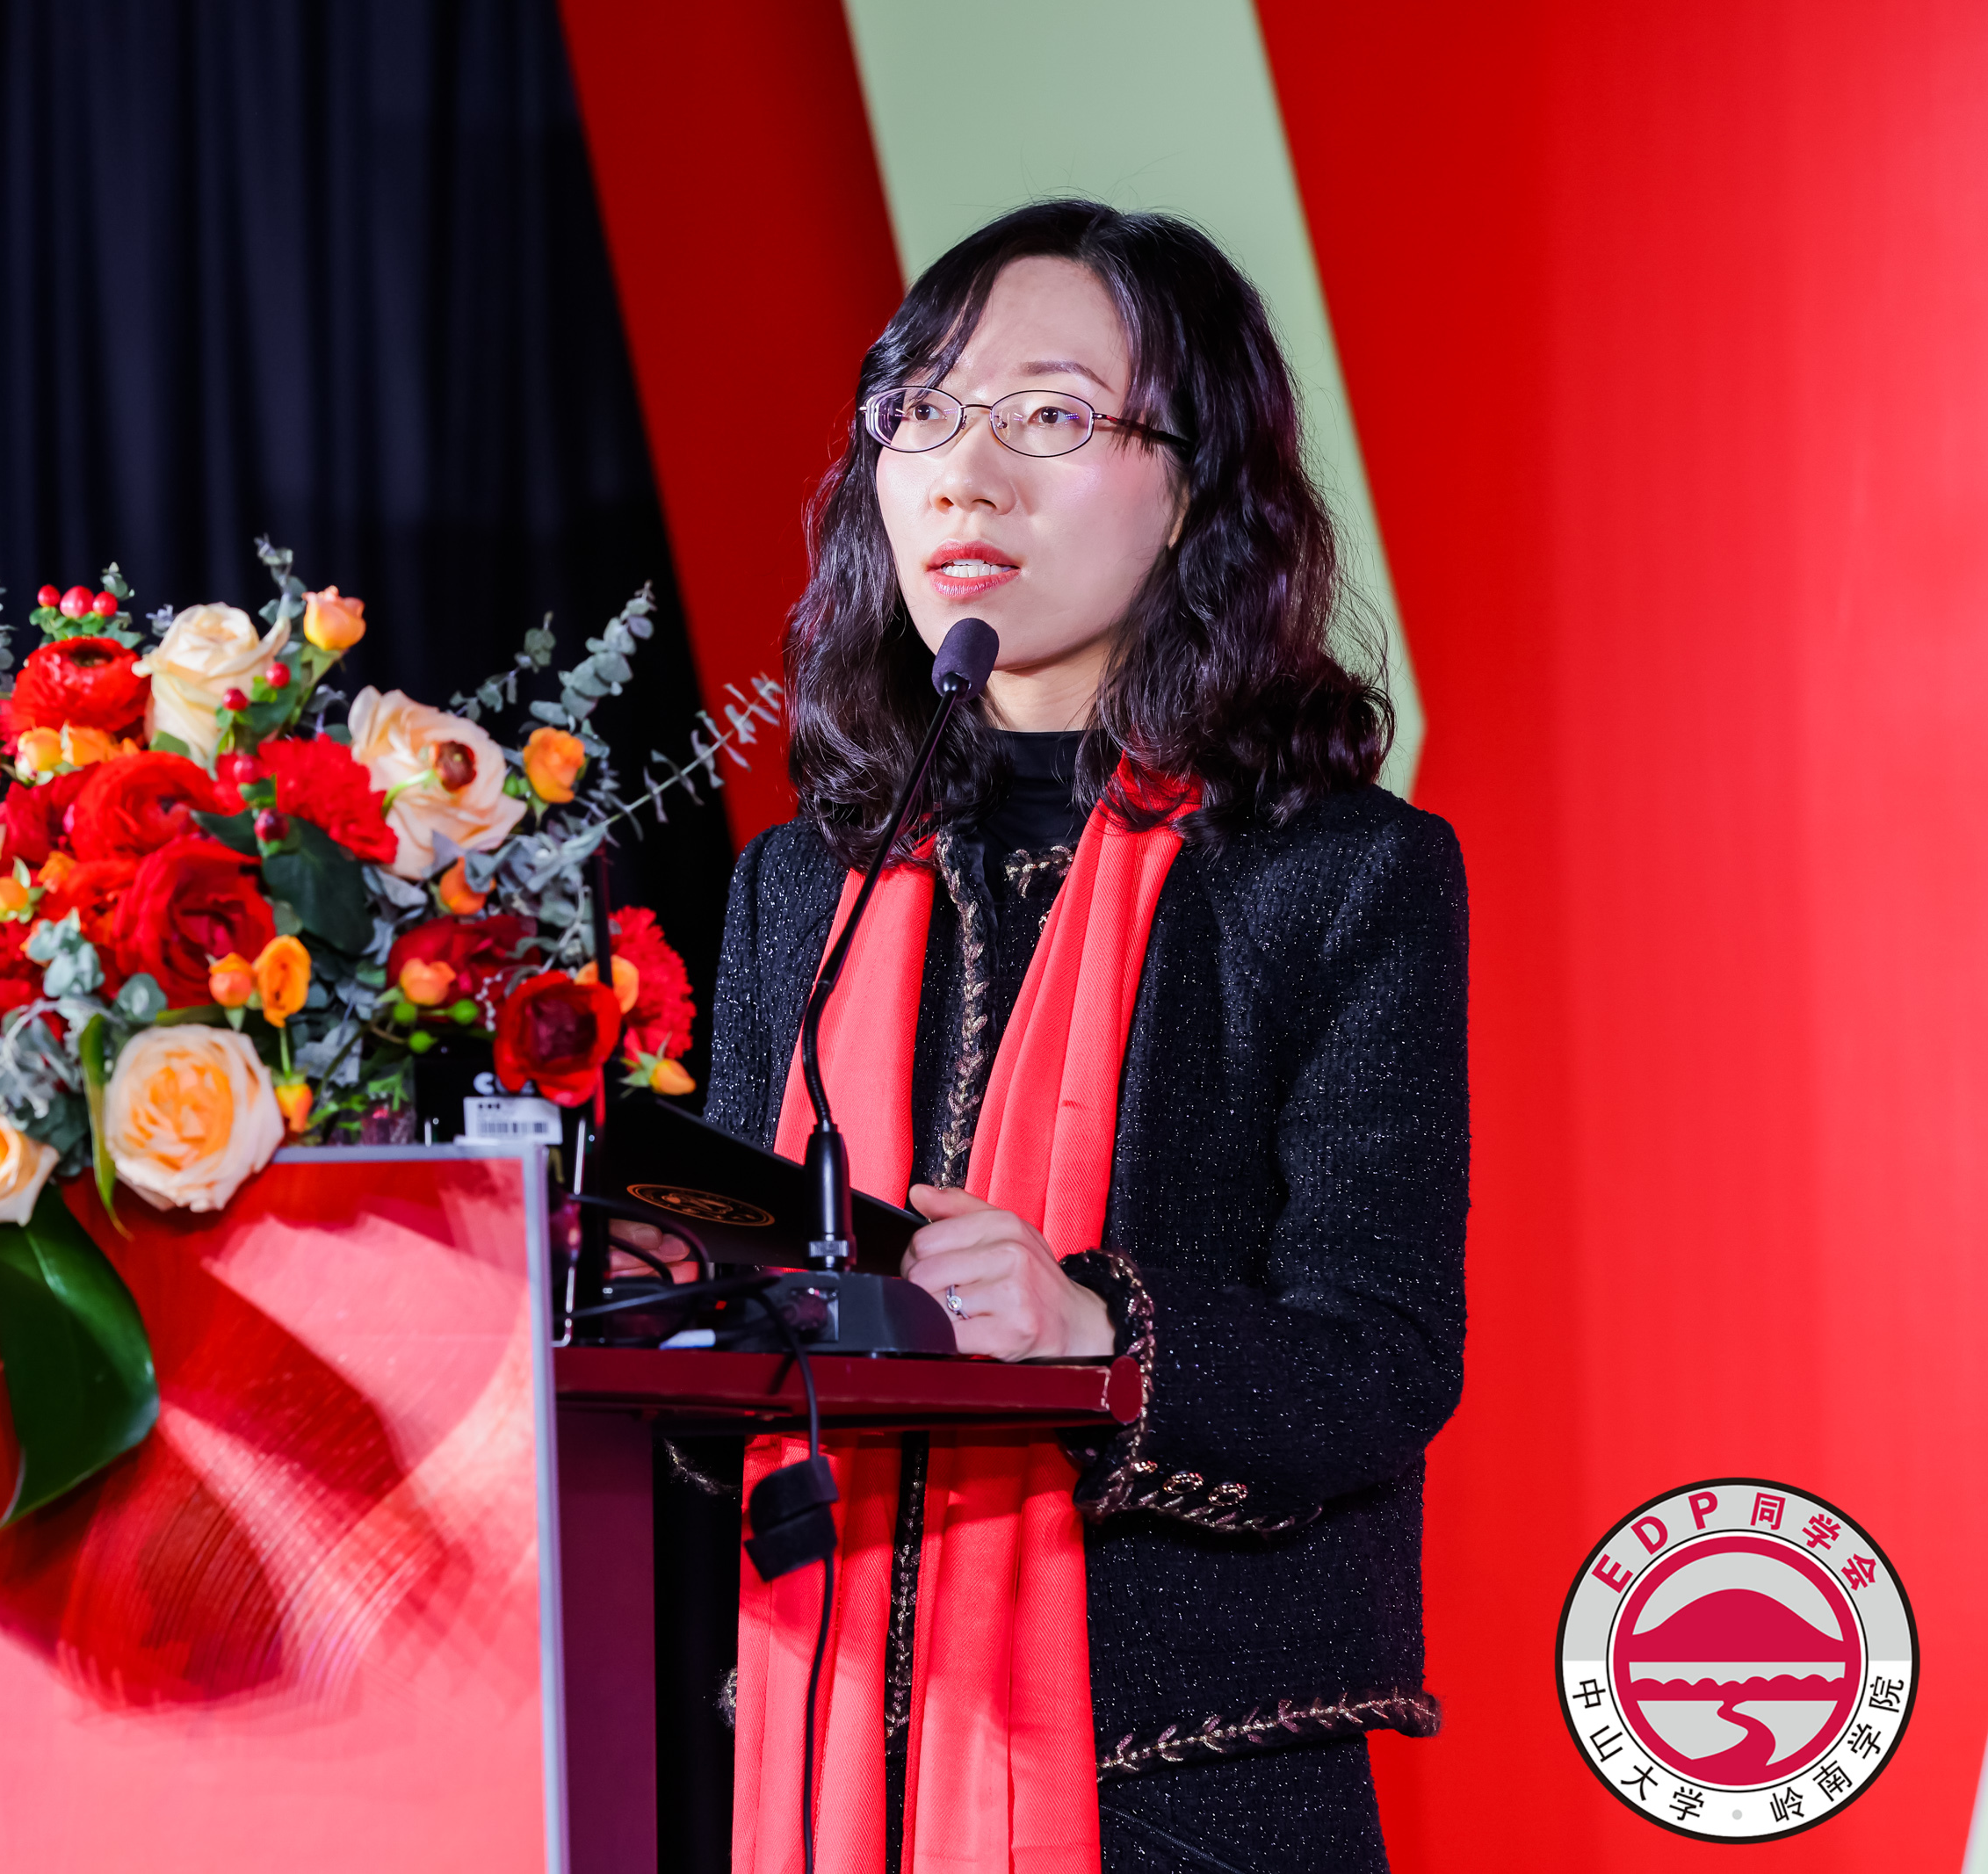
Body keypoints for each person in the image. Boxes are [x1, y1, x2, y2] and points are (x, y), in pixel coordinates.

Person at [641, 199, 1469, 1873]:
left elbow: (1382, 1364)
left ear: (1196, 488)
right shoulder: (802, 884)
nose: (967, 474)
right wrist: (670, 1303)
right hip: (820, 1757)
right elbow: (721, 1369)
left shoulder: (1339, 872)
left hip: (1188, 1793)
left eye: (1051, 417)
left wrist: (1092, 1321)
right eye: (925, 412)